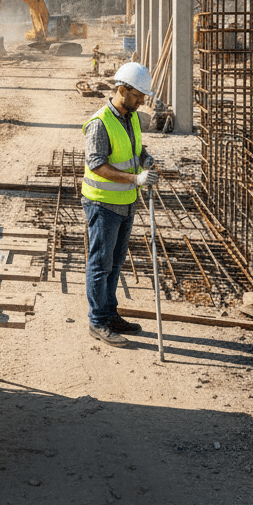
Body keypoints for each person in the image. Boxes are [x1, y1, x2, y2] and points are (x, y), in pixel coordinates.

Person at [81, 61, 157, 348]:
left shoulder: (132, 116)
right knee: (100, 263)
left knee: (115, 262)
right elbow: (97, 165)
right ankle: (98, 321)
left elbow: (136, 148)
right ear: (122, 90)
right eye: (137, 96)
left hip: (125, 202)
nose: (141, 101)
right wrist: (136, 179)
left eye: (143, 97)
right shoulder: (100, 123)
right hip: (103, 204)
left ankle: (110, 314)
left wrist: (144, 159)